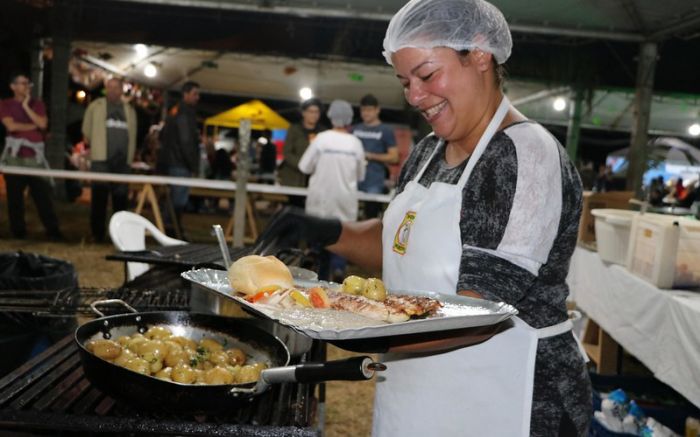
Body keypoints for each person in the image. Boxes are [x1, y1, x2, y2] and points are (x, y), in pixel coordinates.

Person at [254, 1, 591, 435]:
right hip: (415, 382)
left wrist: (347, 326)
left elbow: (478, 312)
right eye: (405, 81)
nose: (414, 96)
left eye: (428, 75)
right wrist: (325, 230)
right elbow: (402, 245)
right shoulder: (428, 151)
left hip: (505, 399)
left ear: (481, 54)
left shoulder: (524, 156)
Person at [298, 99, 365, 280]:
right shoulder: (355, 143)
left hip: (320, 201)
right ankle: (338, 270)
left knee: (319, 241)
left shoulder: (321, 139)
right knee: (341, 241)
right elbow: (360, 175)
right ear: (350, 118)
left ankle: (316, 274)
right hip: (345, 202)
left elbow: (304, 166)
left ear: (330, 117)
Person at [0, 73, 63, 240]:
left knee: (43, 196)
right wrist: (33, 125)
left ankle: (53, 231)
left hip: (35, 159)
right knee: (15, 198)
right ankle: (18, 233)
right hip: (15, 158)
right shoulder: (5, 104)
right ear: (13, 86)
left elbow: (43, 124)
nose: (26, 86)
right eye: (22, 83)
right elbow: (11, 126)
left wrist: (27, 106)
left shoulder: (37, 104)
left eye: (28, 83)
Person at [81, 76, 137, 242]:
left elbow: (133, 135)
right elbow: (86, 131)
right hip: (101, 160)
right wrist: (97, 147)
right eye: (109, 87)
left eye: (116, 88)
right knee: (99, 199)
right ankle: (97, 235)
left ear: (121, 90)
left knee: (120, 201)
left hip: (122, 162)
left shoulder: (129, 110)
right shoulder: (95, 106)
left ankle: (120, 236)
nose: (112, 91)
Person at [158, 81, 201, 237]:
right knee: (178, 201)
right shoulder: (184, 113)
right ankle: (172, 231)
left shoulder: (175, 111)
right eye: (195, 94)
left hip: (174, 162)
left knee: (173, 199)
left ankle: (171, 229)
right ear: (186, 94)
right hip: (180, 164)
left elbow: (163, 136)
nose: (198, 97)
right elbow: (186, 142)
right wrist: (193, 165)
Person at [351, 94, 398, 218]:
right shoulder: (354, 129)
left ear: (377, 110)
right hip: (352, 179)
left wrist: (370, 156)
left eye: (369, 110)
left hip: (374, 181)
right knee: (349, 216)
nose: (366, 113)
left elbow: (394, 157)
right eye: (363, 110)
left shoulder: (385, 130)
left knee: (370, 217)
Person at [277, 98, 325, 207]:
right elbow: (287, 152)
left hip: (315, 178)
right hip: (294, 178)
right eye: (310, 112)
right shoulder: (294, 129)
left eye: (316, 112)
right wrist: (302, 165)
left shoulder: (323, 132)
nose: (314, 115)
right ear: (304, 113)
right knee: (294, 207)